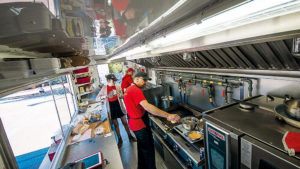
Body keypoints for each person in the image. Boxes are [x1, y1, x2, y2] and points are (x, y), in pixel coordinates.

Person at [123, 72, 181, 169]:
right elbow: (148, 107)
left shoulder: (130, 89)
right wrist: (168, 115)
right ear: (136, 79)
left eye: (146, 80)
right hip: (139, 124)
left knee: (142, 149)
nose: (145, 83)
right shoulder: (135, 90)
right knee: (148, 151)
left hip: (135, 122)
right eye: (144, 80)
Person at [97, 74, 136, 148]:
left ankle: (130, 136)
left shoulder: (117, 86)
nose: (114, 82)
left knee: (125, 122)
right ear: (108, 80)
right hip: (111, 107)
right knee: (116, 125)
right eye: (113, 81)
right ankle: (120, 139)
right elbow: (97, 98)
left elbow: (122, 96)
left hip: (119, 106)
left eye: (115, 81)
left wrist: (120, 94)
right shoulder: (104, 88)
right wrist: (104, 96)